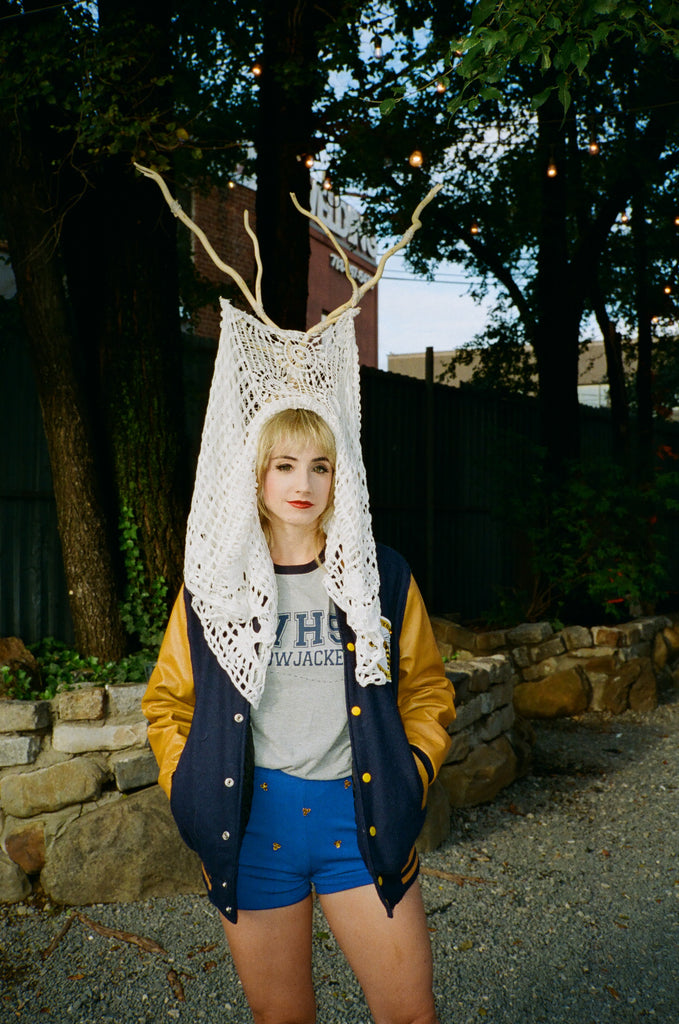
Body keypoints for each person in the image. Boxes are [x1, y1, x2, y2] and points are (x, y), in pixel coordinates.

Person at [143, 405, 455, 1024]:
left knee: (410, 1014)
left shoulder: (379, 575)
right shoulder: (214, 585)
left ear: (343, 478)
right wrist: (192, 789)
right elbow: (168, 702)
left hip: (360, 820)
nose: (303, 485)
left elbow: (426, 690)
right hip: (253, 827)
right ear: (256, 476)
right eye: (284, 466)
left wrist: (412, 772)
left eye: (320, 467)